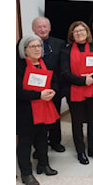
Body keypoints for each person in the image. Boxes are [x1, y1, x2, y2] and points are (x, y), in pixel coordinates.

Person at [61, 21, 93, 164]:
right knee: (77, 122)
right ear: (72, 35)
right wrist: (82, 81)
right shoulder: (66, 51)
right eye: (76, 32)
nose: (79, 33)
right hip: (75, 90)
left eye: (82, 31)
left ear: (87, 33)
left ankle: (92, 149)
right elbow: (64, 73)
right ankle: (80, 151)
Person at [17, 35, 59, 185]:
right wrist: (38, 95)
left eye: (39, 46)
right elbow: (17, 90)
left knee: (42, 138)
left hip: (44, 107)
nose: (37, 49)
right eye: (33, 46)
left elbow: (54, 80)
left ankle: (43, 164)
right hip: (25, 110)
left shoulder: (45, 63)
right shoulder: (18, 66)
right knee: (25, 142)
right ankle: (26, 174)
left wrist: (53, 90)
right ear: (24, 50)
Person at [31, 17, 66, 153]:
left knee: (55, 117)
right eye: (39, 27)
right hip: (34, 91)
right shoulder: (27, 44)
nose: (42, 29)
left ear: (50, 28)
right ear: (33, 29)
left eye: (45, 26)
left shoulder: (59, 43)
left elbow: (63, 67)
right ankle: (39, 147)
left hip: (54, 87)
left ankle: (55, 141)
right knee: (37, 120)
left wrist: (57, 88)